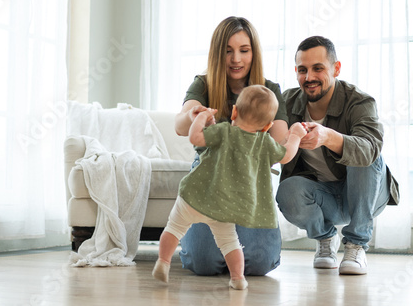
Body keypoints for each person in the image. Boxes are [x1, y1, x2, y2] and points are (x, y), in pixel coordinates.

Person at [153, 86, 307, 289]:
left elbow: (195, 138)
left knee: (174, 228)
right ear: (267, 125)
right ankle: (237, 278)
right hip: (224, 209)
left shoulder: (223, 130)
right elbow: (286, 155)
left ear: (234, 112)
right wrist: (295, 134)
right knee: (229, 243)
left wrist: (203, 117)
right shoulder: (264, 142)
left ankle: (163, 263)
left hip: (195, 196)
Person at [174, 16, 290, 276]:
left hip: (250, 178)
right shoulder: (203, 84)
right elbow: (180, 126)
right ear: (217, 54)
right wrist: (194, 116)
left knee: (260, 264)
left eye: (243, 50)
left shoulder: (270, 90)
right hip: (210, 178)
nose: (236, 58)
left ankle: (230, 253)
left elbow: (279, 143)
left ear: (254, 53)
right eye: (228, 51)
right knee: (203, 263)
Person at [276, 36, 400, 275]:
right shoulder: (287, 103)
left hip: (368, 193)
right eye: (303, 70)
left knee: (364, 154)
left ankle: (356, 245)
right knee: (287, 190)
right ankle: (325, 238)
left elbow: (371, 147)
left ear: (336, 68)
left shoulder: (359, 101)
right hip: (324, 197)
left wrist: (328, 137)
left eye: (318, 68)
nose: (309, 77)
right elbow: (267, 142)